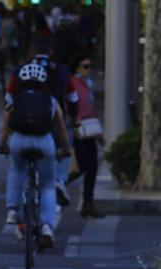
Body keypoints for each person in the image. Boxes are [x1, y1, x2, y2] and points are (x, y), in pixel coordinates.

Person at [0, 60, 72, 249]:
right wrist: (65, 149)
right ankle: (47, 226)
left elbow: (7, 123)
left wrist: (2, 144)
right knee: (47, 185)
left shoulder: (15, 99)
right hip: (44, 141)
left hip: (19, 140)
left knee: (16, 169)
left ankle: (13, 210)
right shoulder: (51, 101)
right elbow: (61, 128)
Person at [5, 37, 77, 207]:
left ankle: (14, 209)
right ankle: (60, 179)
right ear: (51, 52)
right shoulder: (63, 71)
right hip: (51, 127)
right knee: (67, 134)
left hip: (22, 129)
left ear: (31, 51)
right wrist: (73, 118)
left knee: (17, 168)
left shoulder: (20, 70)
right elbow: (73, 98)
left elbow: (8, 100)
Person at [69, 54, 103, 218]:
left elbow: (91, 108)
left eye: (90, 66)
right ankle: (57, 188)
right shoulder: (74, 84)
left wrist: (99, 134)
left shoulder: (86, 84)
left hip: (89, 130)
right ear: (77, 67)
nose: (88, 70)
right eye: (85, 66)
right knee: (81, 168)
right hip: (79, 130)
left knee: (91, 167)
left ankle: (88, 203)